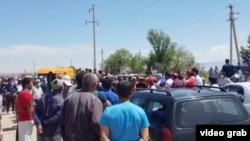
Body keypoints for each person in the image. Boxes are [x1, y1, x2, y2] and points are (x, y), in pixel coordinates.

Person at [61, 73, 103, 141]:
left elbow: (62, 121)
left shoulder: (69, 98)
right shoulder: (94, 101)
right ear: (95, 84)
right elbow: (96, 123)